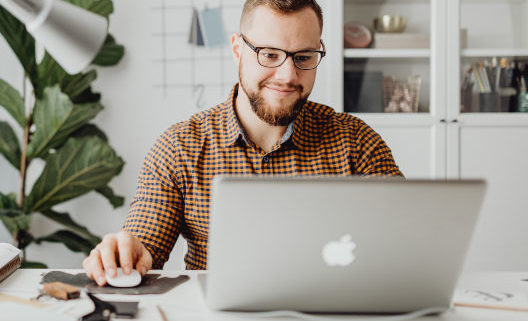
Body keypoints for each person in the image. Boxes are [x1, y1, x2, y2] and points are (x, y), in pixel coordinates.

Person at [82, 0, 403, 286]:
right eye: (269, 54)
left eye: (304, 56)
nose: (288, 75)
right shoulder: (180, 146)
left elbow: (408, 241)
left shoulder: (357, 142)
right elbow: (144, 242)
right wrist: (128, 254)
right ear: (237, 49)